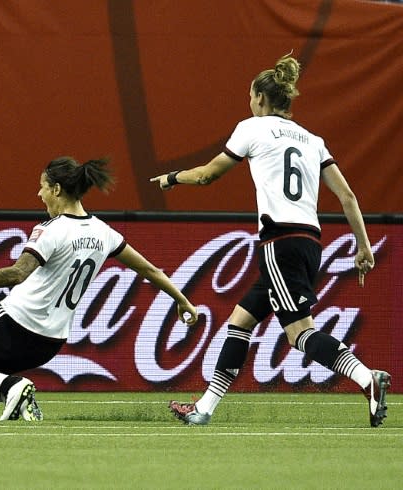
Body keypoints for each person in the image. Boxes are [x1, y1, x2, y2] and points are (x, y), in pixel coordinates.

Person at [151, 53, 390, 427]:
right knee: (240, 321)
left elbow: (207, 176)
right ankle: (204, 410)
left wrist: (172, 177)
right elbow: (348, 197)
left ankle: (366, 378)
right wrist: (363, 247)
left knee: (299, 333)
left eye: (250, 96)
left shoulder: (252, 127)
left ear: (261, 98)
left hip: (279, 241)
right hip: (310, 242)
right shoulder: (314, 140)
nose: (249, 103)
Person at [0, 156, 199, 421]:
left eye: (43, 187)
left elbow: (18, 273)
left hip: (13, 324)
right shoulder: (104, 232)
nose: (39, 194)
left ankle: (14, 388)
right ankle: (18, 398)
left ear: (56, 189)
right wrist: (182, 299)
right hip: (50, 342)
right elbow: (149, 269)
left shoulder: (51, 230)